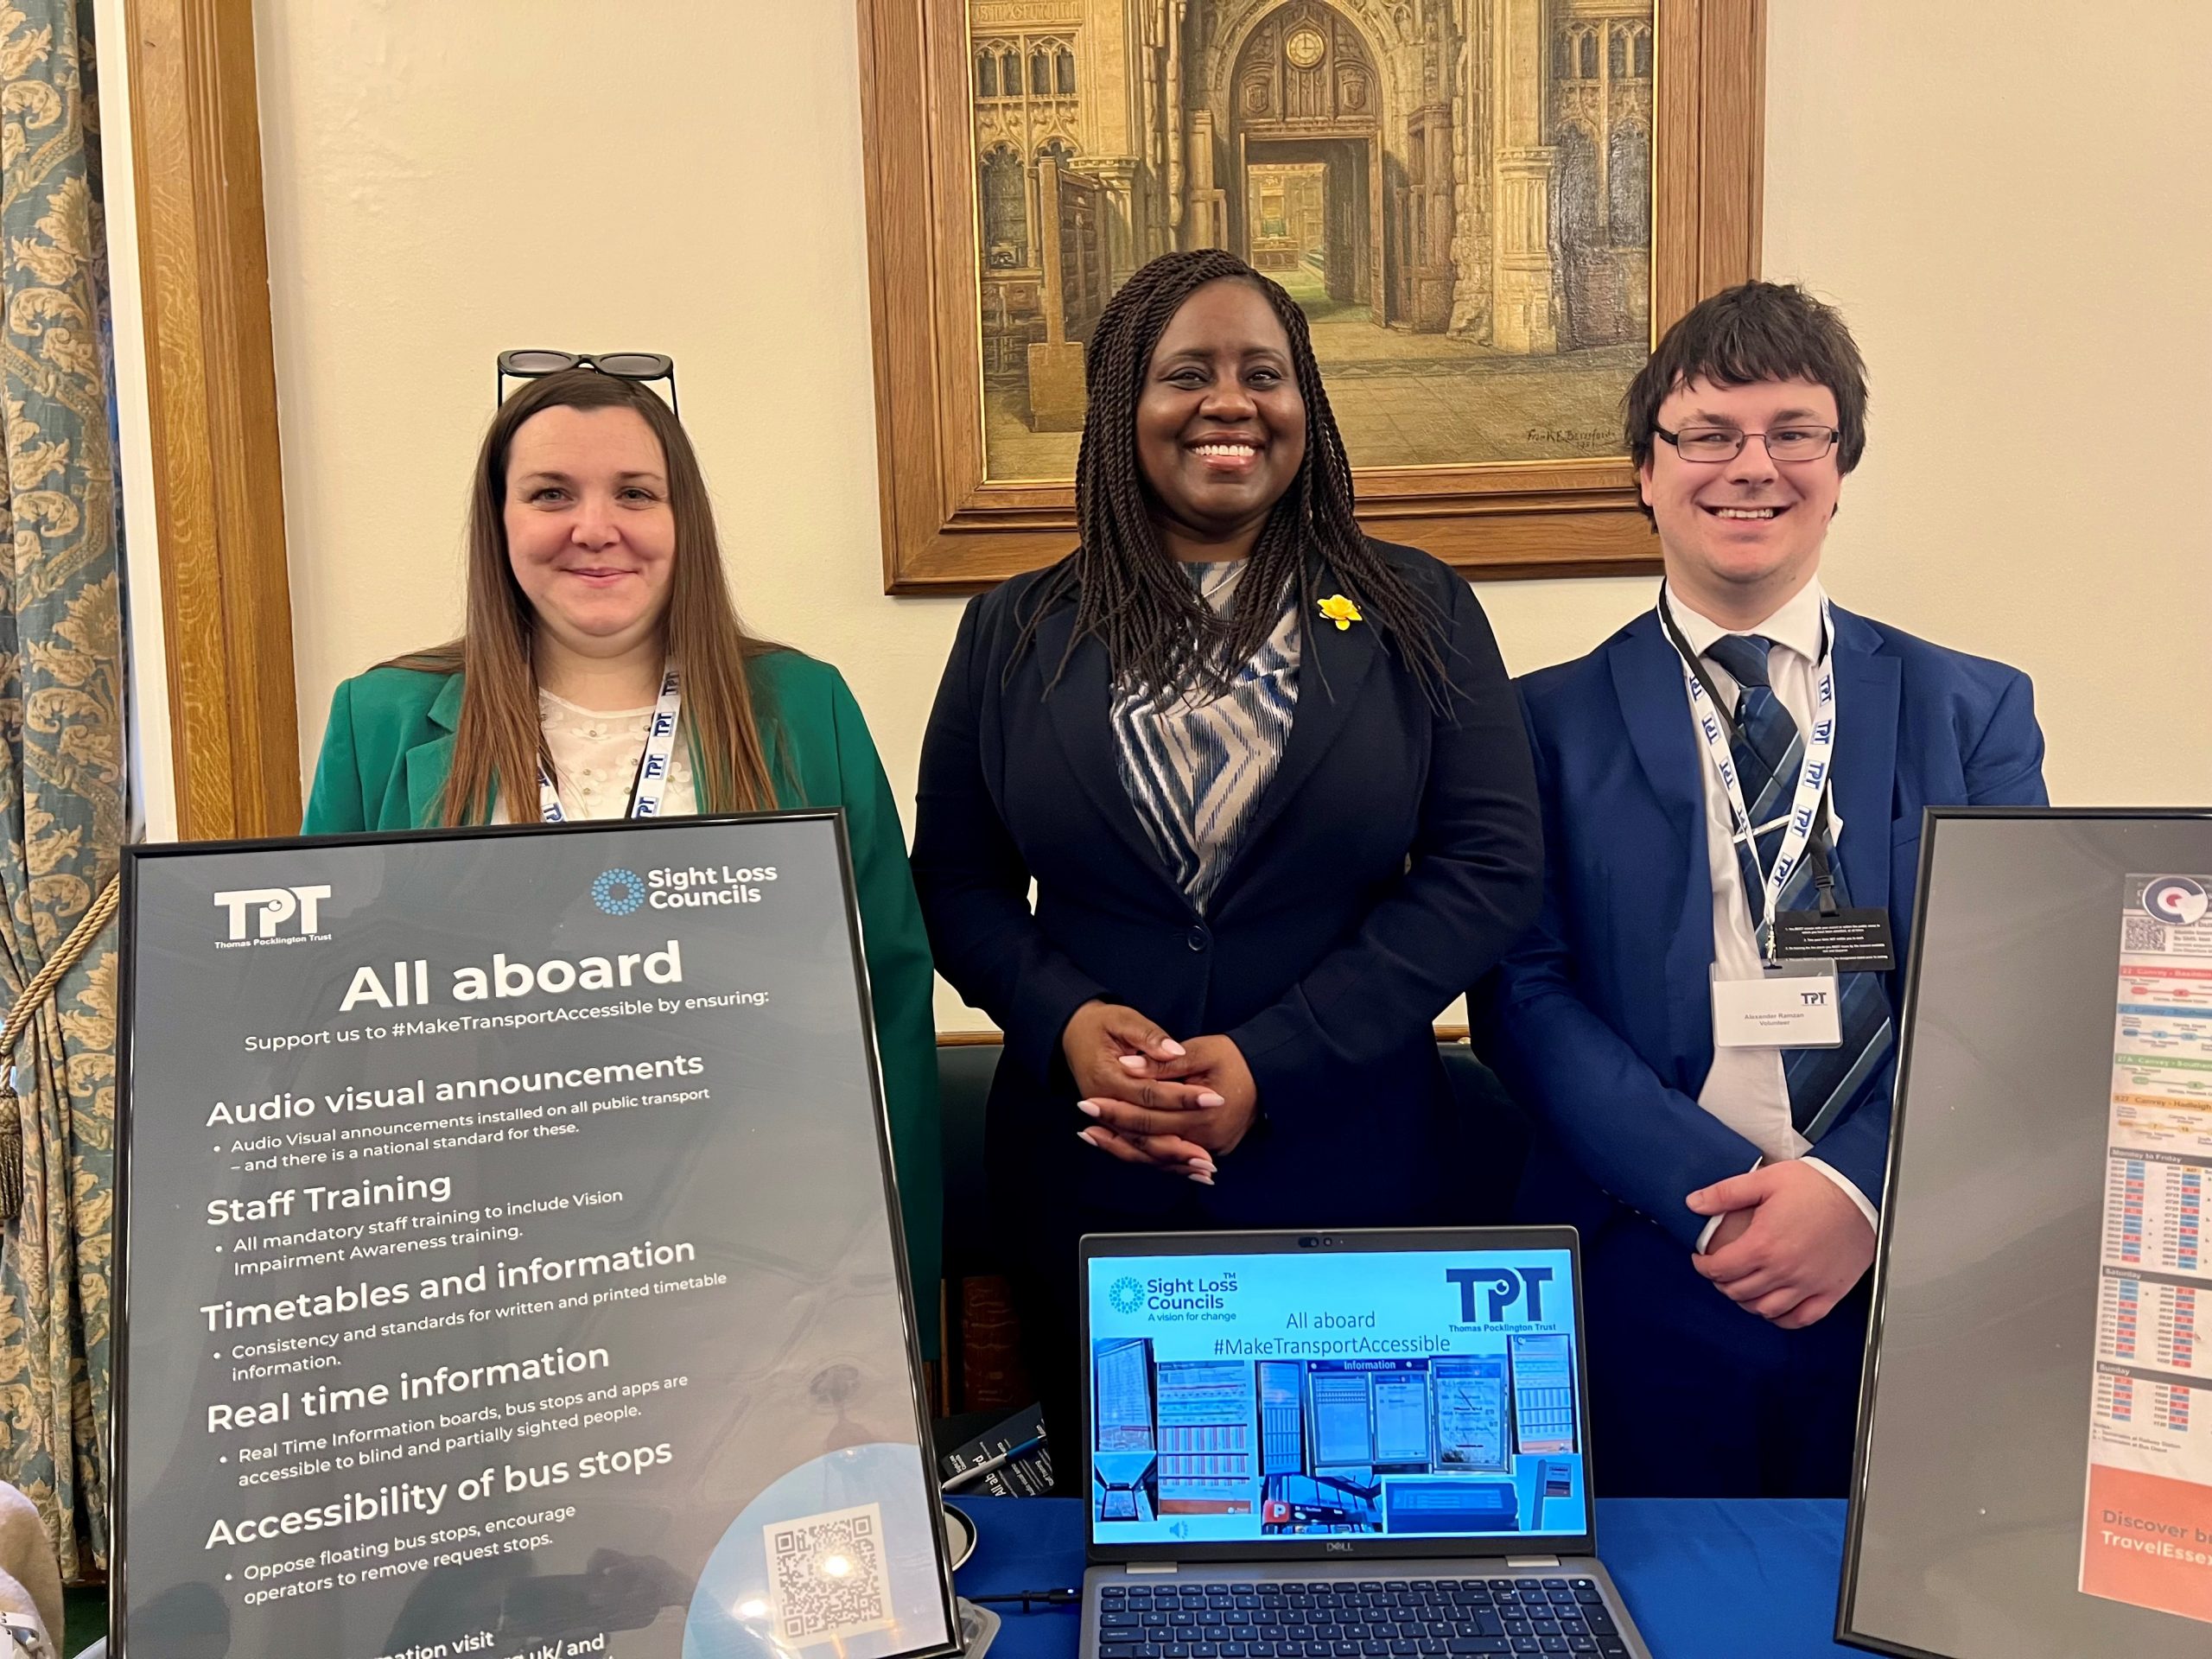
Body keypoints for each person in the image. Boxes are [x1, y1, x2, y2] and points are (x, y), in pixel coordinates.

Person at [912, 249, 1543, 1465]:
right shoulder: (1012, 629)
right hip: (1092, 1175)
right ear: (1121, 411)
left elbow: (1489, 868)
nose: (1230, 401)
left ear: (1306, 401)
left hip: (1354, 1169)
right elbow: (958, 882)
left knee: (1358, 1514)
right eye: (1185, 372)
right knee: (1139, 1538)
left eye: (1266, 372)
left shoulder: (1417, 609)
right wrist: (1067, 1020)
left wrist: (1275, 1059)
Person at [1473, 282, 2048, 1497]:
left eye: (1797, 431)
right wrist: (1722, 1211)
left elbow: (2006, 993)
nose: (1753, 468)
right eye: (1708, 435)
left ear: (1841, 467)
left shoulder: (1975, 709)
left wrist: (1853, 1192)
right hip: (1639, 1261)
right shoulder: (1537, 725)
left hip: (1910, 1262)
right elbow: (1523, 996)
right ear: (1645, 470)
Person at [301, 364, 942, 1354]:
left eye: (634, 493)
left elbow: (886, 999)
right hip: (479, 1267)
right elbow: (323, 1022)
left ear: (682, 519)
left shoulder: (803, 707)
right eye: (551, 493)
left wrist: (891, 1281)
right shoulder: (379, 722)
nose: (594, 527)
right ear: (499, 520)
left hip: (751, 1255)